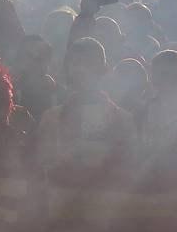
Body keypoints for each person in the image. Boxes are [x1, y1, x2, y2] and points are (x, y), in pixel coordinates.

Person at [36, 37, 137, 185]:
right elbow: (43, 165)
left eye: (89, 63)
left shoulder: (124, 119)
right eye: (76, 63)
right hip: (63, 201)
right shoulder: (52, 118)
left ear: (104, 69)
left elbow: (129, 168)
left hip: (108, 201)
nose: (82, 70)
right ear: (68, 69)